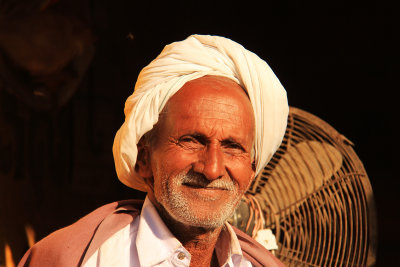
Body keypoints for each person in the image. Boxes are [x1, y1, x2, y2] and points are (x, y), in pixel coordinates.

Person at [18, 34, 289, 267]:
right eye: (191, 140)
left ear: (253, 166)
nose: (212, 169)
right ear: (144, 158)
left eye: (233, 147)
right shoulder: (77, 259)